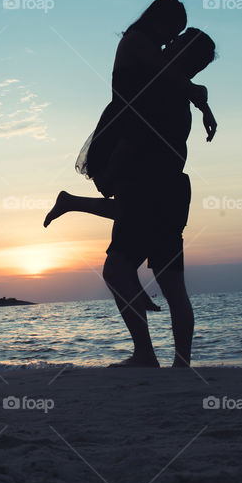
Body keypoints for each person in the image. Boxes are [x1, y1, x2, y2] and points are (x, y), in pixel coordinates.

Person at [46, 19, 217, 368]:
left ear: (186, 53)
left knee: (122, 271)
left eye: (180, 41)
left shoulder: (161, 87)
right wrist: (202, 101)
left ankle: (146, 354)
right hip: (169, 187)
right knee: (169, 286)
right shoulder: (180, 90)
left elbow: (134, 135)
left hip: (150, 182)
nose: (170, 44)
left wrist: (109, 172)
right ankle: (178, 364)